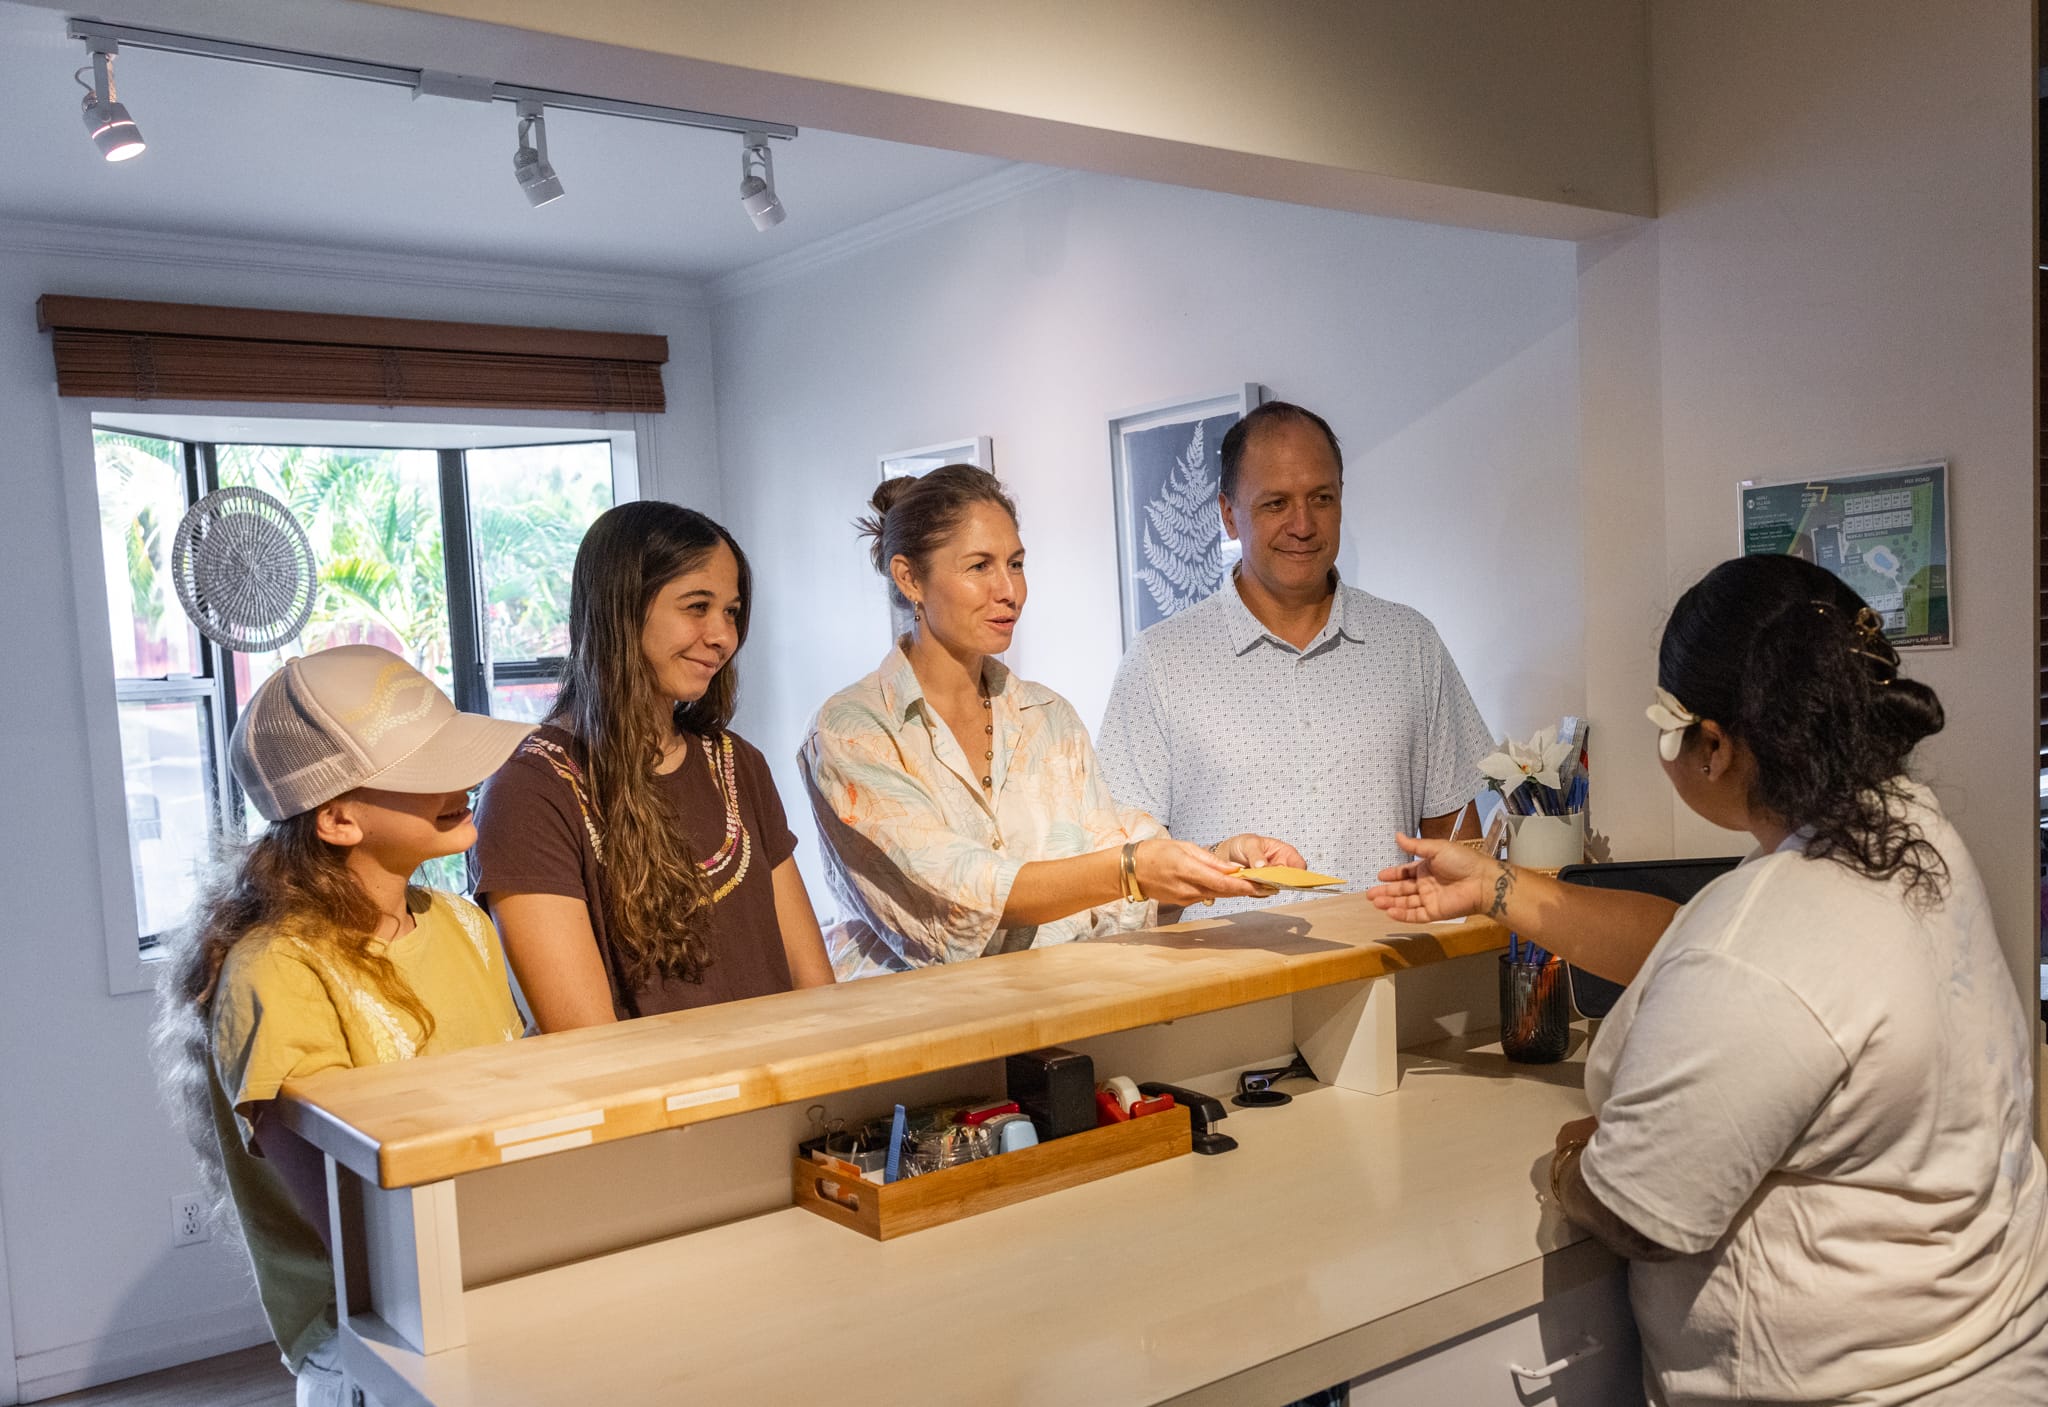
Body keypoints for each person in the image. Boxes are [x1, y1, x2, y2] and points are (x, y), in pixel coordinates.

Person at [1368, 554, 2048, 1406]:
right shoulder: (1907, 834)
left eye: (1667, 730)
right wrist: (1497, 885)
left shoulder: (1768, 930)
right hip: (1990, 1348)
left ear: (1715, 744)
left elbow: (1637, 1208)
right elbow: (1690, 945)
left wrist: (1574, 1162)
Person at [153, 645, 533, 1407]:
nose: (461, 780)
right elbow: (354, 1229)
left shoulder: (460, 923)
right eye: (428, 766)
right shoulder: (275, 971)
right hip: (378, 1346)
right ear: (337, 817)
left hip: (497, 1292)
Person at [802, 465, 1303, 979]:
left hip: (1058, 1023)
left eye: (1016, 564)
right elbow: (957, 897)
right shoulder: (854, 730)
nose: (1009, 591)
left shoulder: (1048, 717)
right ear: (910, 578)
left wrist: (1219, 863)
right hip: (918, 1040)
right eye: (980, 566)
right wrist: (1131, 869)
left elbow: (1112, 892)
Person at [1097, 400, 1493, 914]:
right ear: (1228, 515)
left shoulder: (1410, 644)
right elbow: (1122, 860)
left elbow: (1457, 837)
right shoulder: (1160, 663)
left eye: (1321, 499)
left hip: (1390, 974)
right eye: (1276, 504)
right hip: (1227, 984)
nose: (1303, 525)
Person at [471, 502, 834, 1030]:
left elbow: (814, 988)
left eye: (731, 612)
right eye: (696, 606)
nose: (723, 636)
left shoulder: (737, 763)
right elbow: (587, 1039)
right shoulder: (529, 791)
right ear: (620, 609)